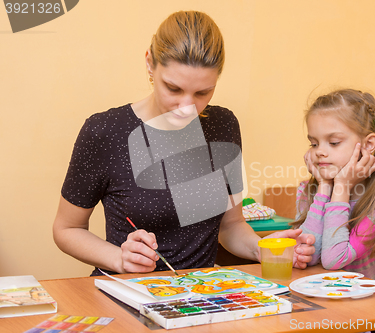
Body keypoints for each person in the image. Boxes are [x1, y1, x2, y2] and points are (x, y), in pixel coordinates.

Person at [53, 10, 315, 276]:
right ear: (149, 62)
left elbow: (230, 226)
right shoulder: (105, 131)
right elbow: (67, 229)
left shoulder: (223, 125)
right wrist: (118, 258)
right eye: (174, 89)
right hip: (128, 294)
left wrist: (261, 249)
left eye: (203, 92)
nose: (187, 108)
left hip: (198, 297)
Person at [292, 89, 375, 281]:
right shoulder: (308, 190)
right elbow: (309, 257)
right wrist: (323, 188)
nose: (320, 151)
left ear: (368, 144)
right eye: (314, 144)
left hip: (366, 305)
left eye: (334, 142)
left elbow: (333, 259)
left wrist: (341, 187)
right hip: (320, 297)